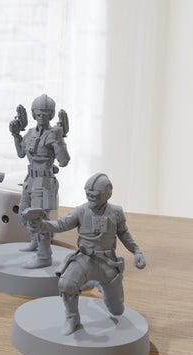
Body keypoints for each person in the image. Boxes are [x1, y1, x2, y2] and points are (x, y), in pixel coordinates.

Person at [26, 173, 146, 335]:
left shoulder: (116, 212)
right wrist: (41, 225)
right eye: (87, 193)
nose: (90, 197)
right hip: (85, 259)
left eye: (94, 194)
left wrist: (137, 251)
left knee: (117, 311)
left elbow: (124, 234)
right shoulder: (81, 211)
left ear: (106, 193)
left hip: (108, 263)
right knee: (66, 284)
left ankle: (101, 284)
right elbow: (61, 225)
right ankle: (72, 318)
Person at [10, 94, 70, 267]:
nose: (41, 116)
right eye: (38, 113)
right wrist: (16, 135)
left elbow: (64, 161)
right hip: (30, 179)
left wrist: (59, 140)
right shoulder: (30, 133)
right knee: (23, 214)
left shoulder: (53, 134)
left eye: (45, 113)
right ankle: (36, 242)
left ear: (51, 114)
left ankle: (44, 257)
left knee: (39, 219)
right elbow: (21, 153)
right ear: (33, 114)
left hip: (44, 181)